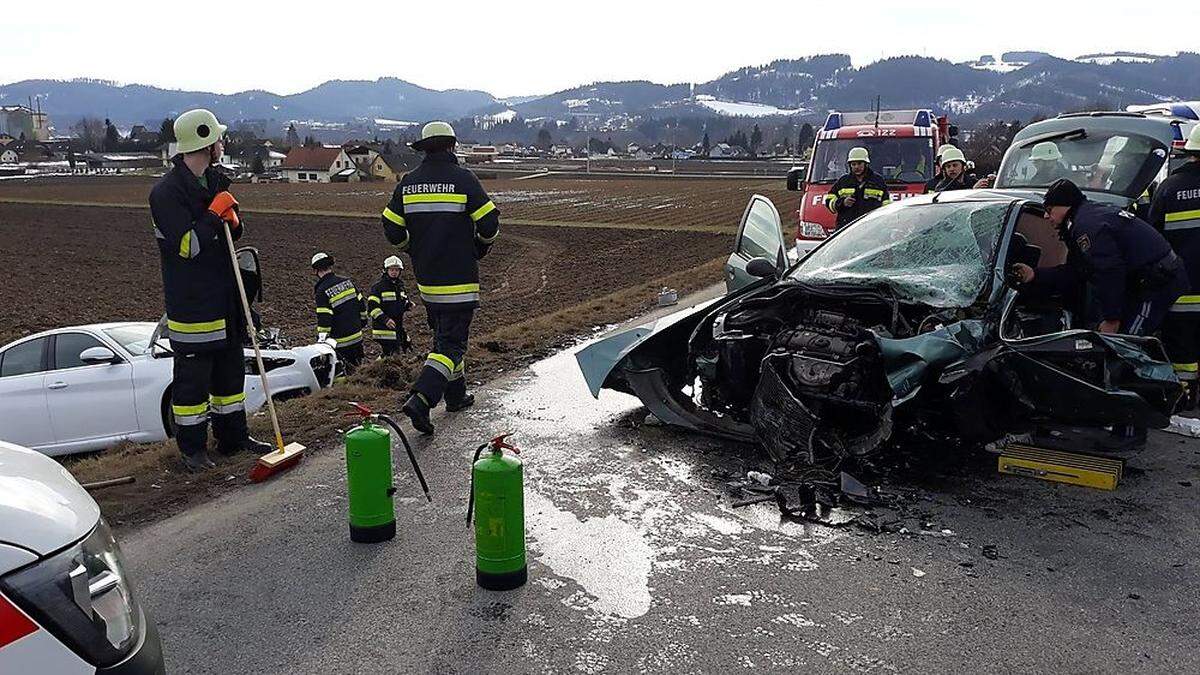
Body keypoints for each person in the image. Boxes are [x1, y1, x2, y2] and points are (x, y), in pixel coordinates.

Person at [1010, 179, 1187, 446]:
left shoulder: (1088, 226)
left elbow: (1109, 274)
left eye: (1050, 209)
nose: (1046, 216)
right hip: (1144, 283)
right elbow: (1078, 273)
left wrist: (1112, 320)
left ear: (1065, 205)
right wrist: (1036, 275)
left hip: (1156, 285)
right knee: (1121, 347)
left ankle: (1129, 432)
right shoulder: (1084, 220)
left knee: (1126, 350)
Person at [148, 109, 271, 471]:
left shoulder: (216, 181)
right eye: (217, 139)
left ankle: (233, 438)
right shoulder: (165, 194)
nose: (222, 144)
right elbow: (188, 246)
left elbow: (228, 238)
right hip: (194, 306)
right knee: (192, 389)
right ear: (204, 143)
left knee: (230, 378)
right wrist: (215, 216)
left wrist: (234, 221)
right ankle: (193, 451)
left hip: (225, 300)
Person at [381, 121, 500, 434]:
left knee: (444, 337)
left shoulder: (409, 183)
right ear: (452, 146)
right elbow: (489, 222)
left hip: (428, 282)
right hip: (460, 279)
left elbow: (391, 226)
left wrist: (412, 249)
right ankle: (422, 399)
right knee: (451, 345)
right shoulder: (463, 179)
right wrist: (480, 247)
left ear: (424, 149)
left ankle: (456, 395)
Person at [1148, 125, 1200, 408]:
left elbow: (1154, 239)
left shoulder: (1169, 188)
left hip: (1182, 288)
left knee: (1182, 346)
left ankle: (1185, 397)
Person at [312, 252, 367, 376]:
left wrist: (322, 340)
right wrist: (362, 322)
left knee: (341, 375)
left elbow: (324, 318)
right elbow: (361, 304)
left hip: (341, 342)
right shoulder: (347, 282)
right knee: (359, 371)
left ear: (316, 271)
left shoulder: (322, 291)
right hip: (357, 337)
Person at [824, 147, 890, 229]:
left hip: (872, 228)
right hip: (846, 229)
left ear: (866, 164)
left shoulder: (877, 181)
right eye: (853, 164)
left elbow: (886, 205)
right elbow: (829, 200)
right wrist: (842, 202)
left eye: (859, 163)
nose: (856, 167)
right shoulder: (843, 181)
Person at [368, 255, 416, 356]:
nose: (394, 272)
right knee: (391, 355)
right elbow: (372, 308)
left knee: (390, 355)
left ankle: (376, 368)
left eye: (397, 270)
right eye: (392, 269)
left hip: (397, 327)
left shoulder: (400, 286)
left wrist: (408, 305)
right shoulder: (378, 287)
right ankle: (375, 369)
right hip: (384, 329)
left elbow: (401, 302)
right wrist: (385, 320)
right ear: (386, 270)